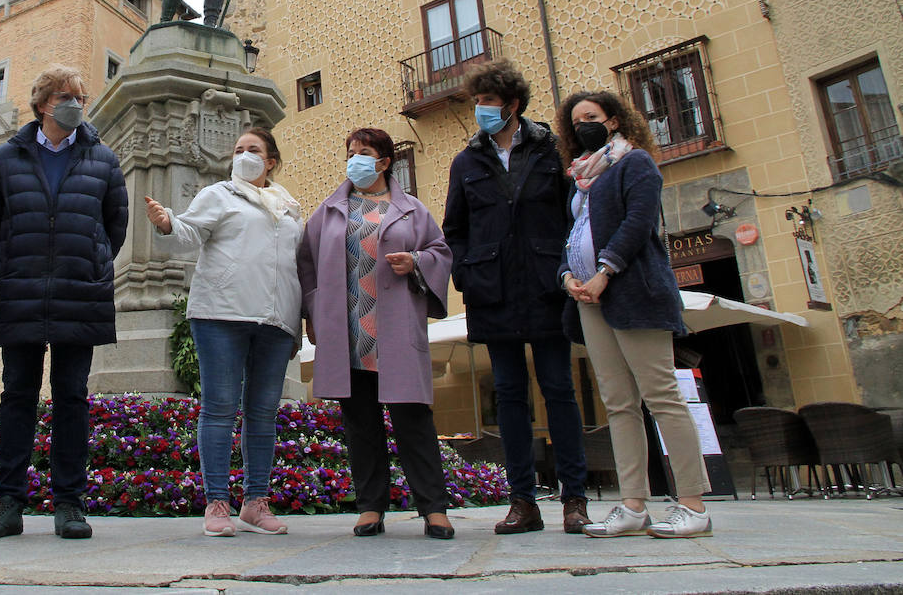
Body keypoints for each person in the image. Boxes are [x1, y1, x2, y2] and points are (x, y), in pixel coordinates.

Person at [0, 65, 127, 541]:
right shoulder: (4, 158)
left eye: (80, 95)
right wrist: (18, 263)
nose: (75, 103)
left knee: (72, 398)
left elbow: (114, 227)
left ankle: (69, 503)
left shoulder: (104, 158)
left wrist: (91, 261)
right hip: (22, 290)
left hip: (80, 292)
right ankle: (7, 503)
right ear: (42, 103)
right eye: (65, 95)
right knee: (17, 395)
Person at [555, 90, 712, 539]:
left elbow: (638, 223)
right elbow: (572, 235)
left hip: (633, 292)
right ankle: (633, 505)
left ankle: (694, 505)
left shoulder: (634, 163)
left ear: (614, 121)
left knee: (662, 396)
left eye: (591, 116)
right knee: (619, 405)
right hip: (588, 300)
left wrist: (605, 271)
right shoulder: (580, 178)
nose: (582, 124)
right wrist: (567, 276)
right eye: (575, 120)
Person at [442, 60, 590, 534]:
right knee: (507, 395)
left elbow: (573, 216)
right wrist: (465, 273)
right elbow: (455, 229)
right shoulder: (466, 161)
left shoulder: (551, 151)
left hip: (547, 287)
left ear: (513, 105)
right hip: (492, 292)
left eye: (487, 102)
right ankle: (523, 502)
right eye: (477, 102)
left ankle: (574, 500)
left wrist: (568, 268)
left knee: (559, 391)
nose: (480, 110)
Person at [144, 127, 302, 537]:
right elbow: (189, 233)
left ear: (270, 161)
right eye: (238, 150)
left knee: (263, 413)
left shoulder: (289, 206)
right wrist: (167, 223)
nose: (244, 155)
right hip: (221, 314)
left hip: (275, 319)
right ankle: (217, 502)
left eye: (254, 150)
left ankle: (255, 502)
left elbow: (295, 264)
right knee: (219, 408)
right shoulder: (218, 194)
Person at [299, 127, 455, 539]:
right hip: (348, 332)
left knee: (413, 420)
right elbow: (306, 263)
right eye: (351, 152)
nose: (355, 159)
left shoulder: (413, 210)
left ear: (385, 162)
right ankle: (371, 506)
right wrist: (311, 313)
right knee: (361, 424)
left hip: (395, 329)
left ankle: (433, 508)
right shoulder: (329, 211)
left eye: (364, 152)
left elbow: (440, 251)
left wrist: (417, 261)